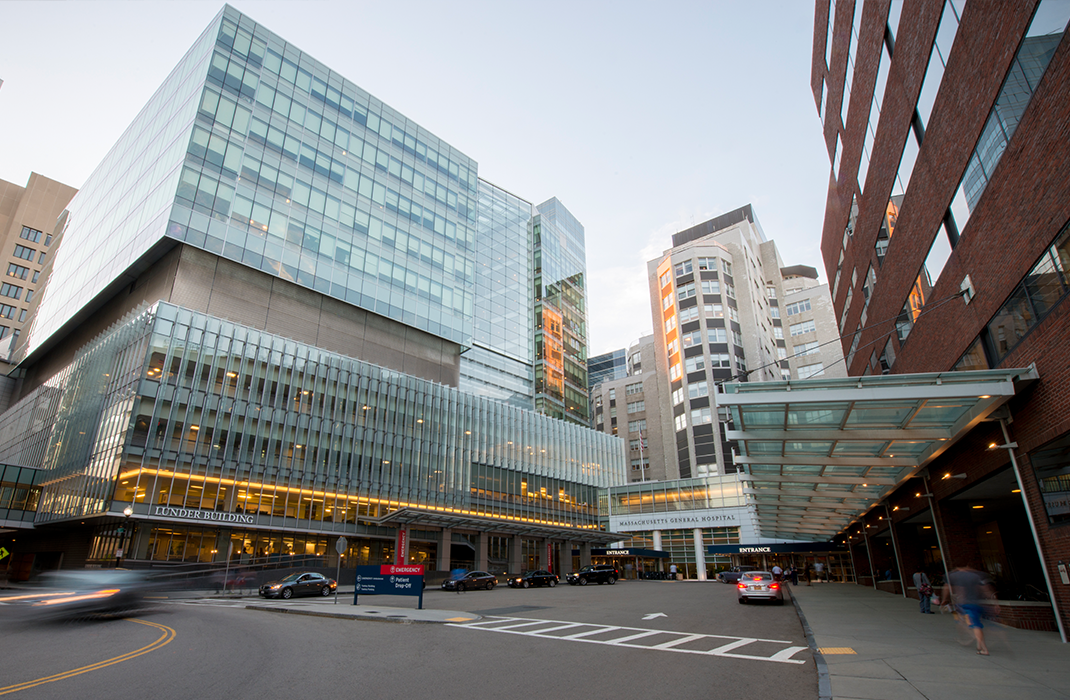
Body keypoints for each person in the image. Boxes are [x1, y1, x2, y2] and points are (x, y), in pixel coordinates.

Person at [941, 564, 999, 655]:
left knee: (973, 625)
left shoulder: (954, 576)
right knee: (969, 623)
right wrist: (995, 603)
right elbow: (986, 590)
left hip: (965, 604)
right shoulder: (976, 576)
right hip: (977, 603)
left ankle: (982, 646)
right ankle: (977, 643)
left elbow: (947, 588)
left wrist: (944, 600)